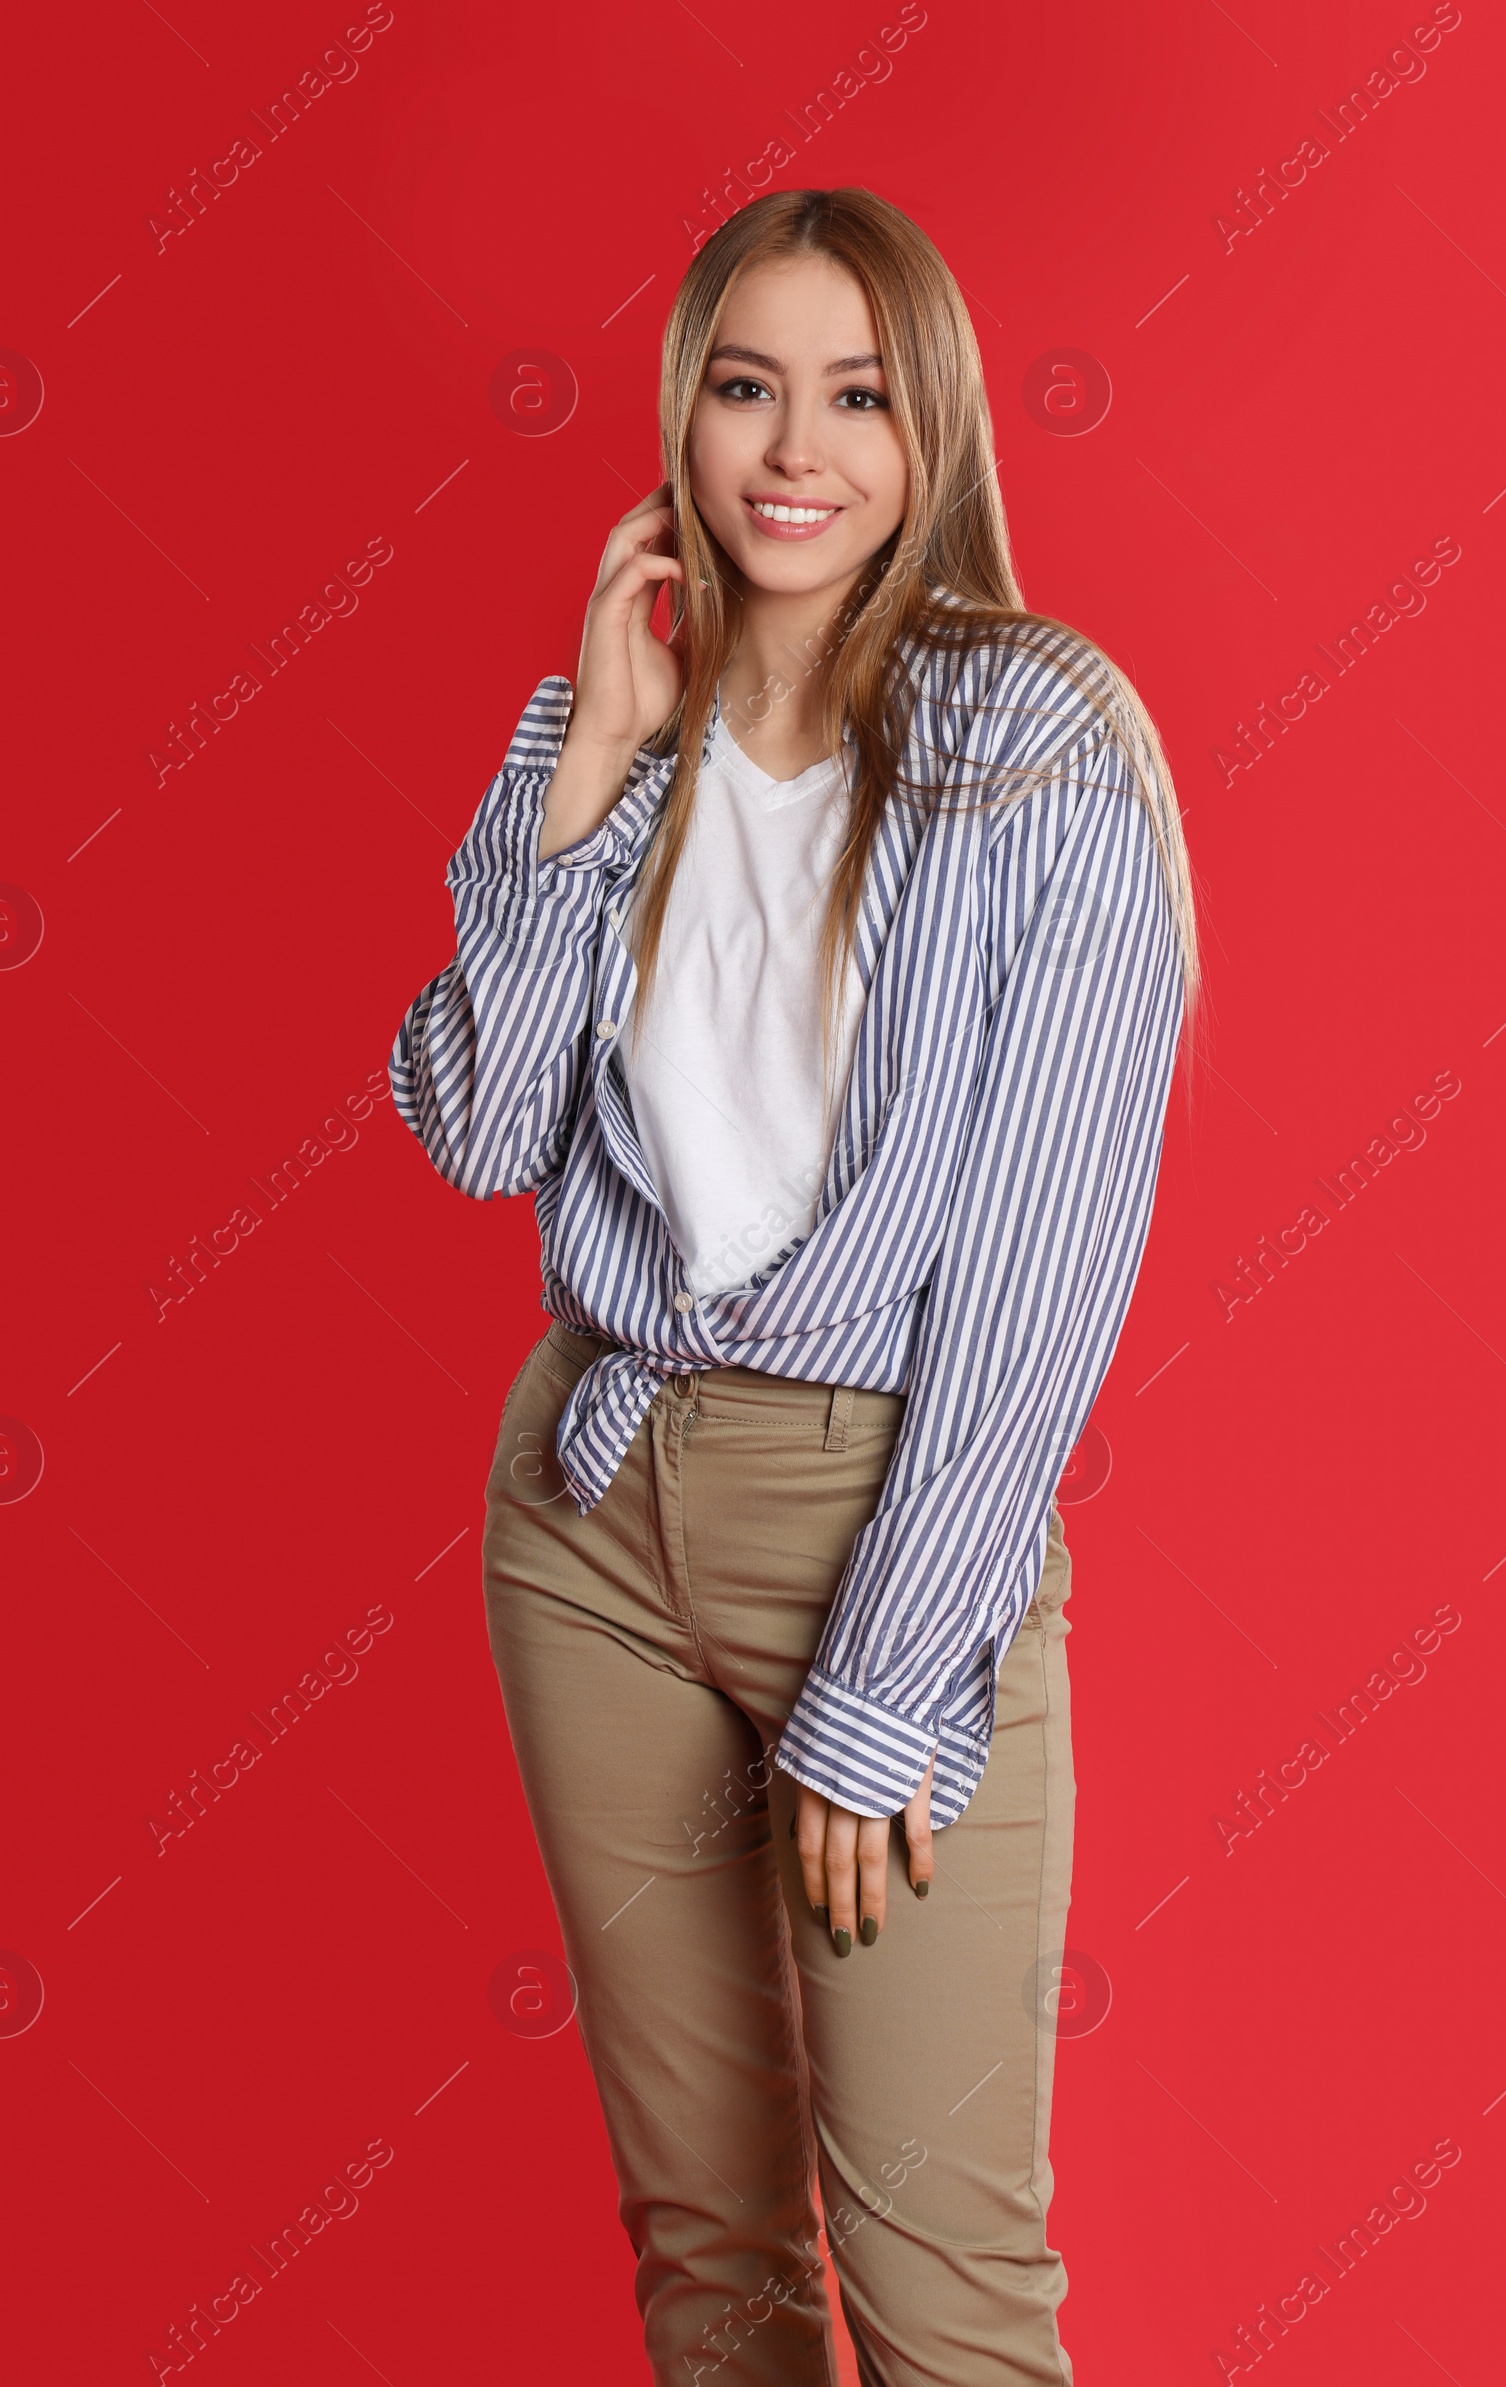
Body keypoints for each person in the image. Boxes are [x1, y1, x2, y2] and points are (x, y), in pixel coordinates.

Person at [391, 184, 1199, 2387]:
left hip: (880, 1522)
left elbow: (1035, 1275)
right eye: (745, 387)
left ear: (926, 431)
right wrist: (587, 770)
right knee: (708, 2258)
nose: (791, 449)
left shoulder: (1034, 750)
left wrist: (887, 1672)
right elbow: (475, 1130)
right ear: (683, 414)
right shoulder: (606, 731)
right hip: (589, 1512)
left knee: (942, 2286)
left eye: (852, 395)